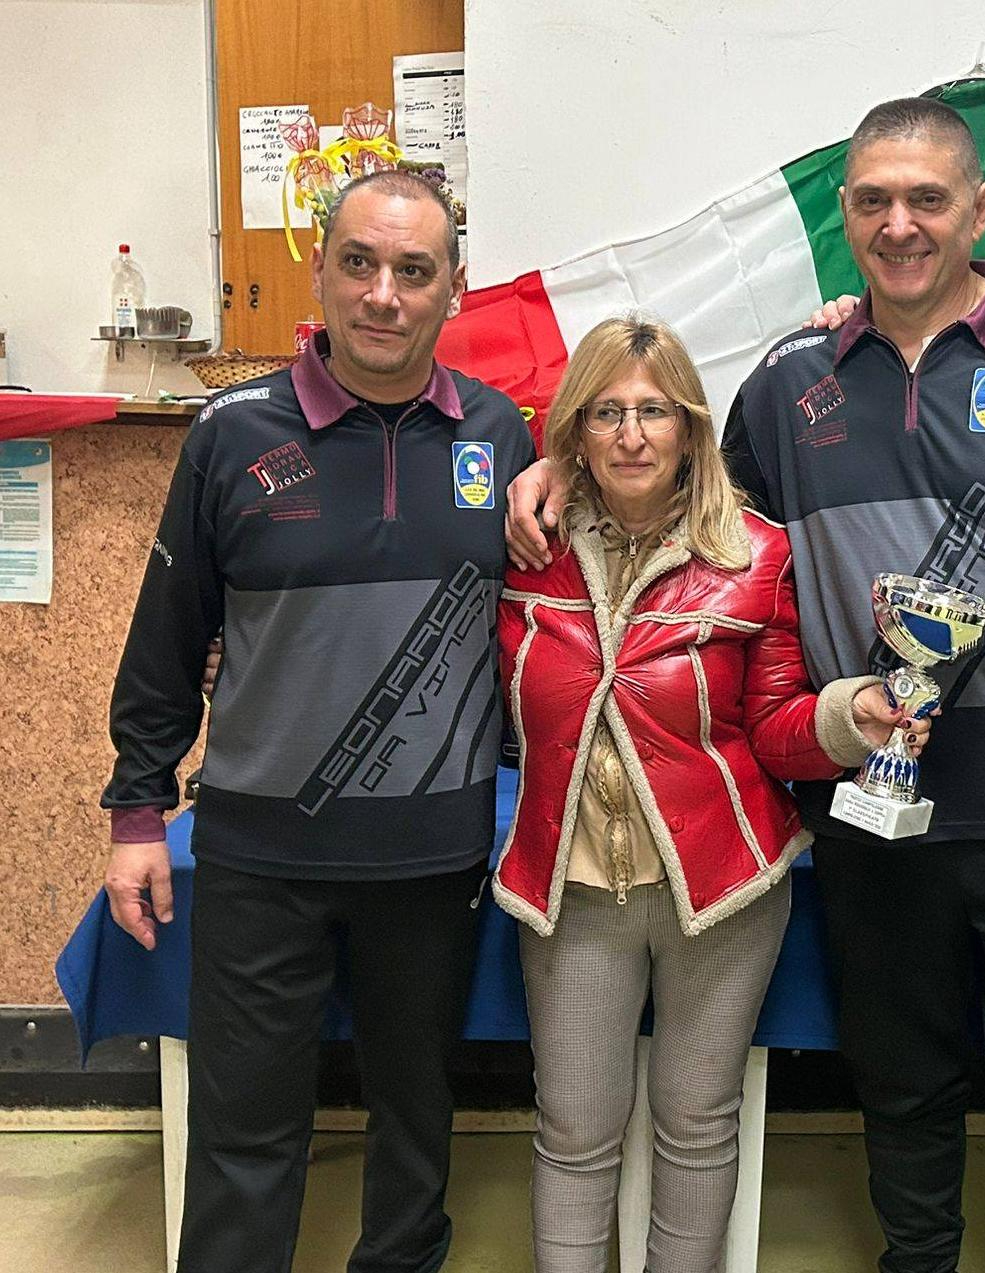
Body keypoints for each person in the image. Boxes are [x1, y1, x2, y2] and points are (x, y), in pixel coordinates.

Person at [508, 97, 985, 1273]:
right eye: (873, 201)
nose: (899, 223)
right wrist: (557, 470)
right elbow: (695, 520)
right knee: (901, 1099)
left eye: (927, 199)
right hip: (870, 821)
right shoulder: (790, 379)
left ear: (980, 210)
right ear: (846, 218)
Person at [101, 170, 535, 1272]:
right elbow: (168, 637)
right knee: (243, 1137)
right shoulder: (229, 433)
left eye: (413, 270)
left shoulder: (501, 435)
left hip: (432, 856)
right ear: (320, 272)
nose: (383, 293)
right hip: (259, 856)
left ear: (453, 289)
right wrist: (138, 812)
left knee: (415, 1129)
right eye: (359, 262)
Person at [491, 315, 922, 1272]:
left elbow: (775, 724)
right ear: (575, 430)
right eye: (606, 412)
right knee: (574, 1130)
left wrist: (853, 716)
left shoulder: (753, 551)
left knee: (696, 1122)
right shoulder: (523, 546)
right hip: (571, 892)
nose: (631, 435)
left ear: (690, 427)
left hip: (724, 890)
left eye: (653, 411)